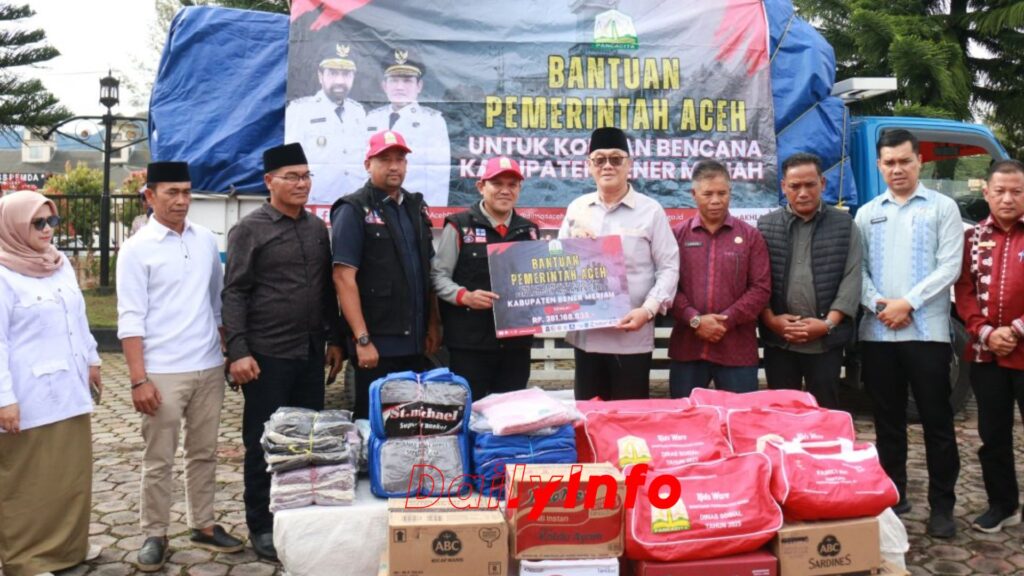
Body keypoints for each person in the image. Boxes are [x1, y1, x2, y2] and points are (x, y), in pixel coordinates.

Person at [117, 161, 244, 572]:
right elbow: (130, 318)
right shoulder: (137, 249)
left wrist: (226, 351)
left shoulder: (205, 239)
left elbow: (216, 304)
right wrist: (138, 379)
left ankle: (203, 524)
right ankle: (155, 532)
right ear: (150, 195)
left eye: (186, 192)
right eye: (171, 192)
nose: (181, 200)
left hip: (207, 365)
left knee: (204, 453)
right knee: (159, 458)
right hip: (161, 371)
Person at [222, 143, 344, 560]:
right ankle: (262, 525)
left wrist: (335, 341)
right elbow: (234, 293)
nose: (301, 184)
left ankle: (300, 519)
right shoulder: (249, 229)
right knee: (264, 443)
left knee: (307, 440)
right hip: (265, 357)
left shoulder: (316, 228)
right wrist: (238, 351)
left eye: (306, 176)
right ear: (268, 181)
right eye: (291, 176)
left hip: (309, 354)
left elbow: (326, 292)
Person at [855, 128, 963, 538]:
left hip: (927, 334)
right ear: (879, 165)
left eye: (905, 161)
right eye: (889, 162)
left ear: (919, 161)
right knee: (887, 423)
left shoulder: (942, 208)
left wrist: (908, 303)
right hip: (878, 334)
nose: (897, 169)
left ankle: (943, 506)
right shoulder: (867, 213)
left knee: (937, 422)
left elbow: (949, 266)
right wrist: (881, 305)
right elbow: (858, 270)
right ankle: (894, 497)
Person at [0, 192, 102, 576]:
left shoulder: (58, 265)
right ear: (13, 226)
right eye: (37, 223)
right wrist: (4, 399)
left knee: (69, 476)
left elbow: (79, 318)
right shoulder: (4, 274)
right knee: (28, 480)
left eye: (52, 221)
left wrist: (93, 360)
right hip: (28, 396)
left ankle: (68, 548)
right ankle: (26, 559)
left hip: (69, 390)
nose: (47, 230)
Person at [558, 127, 679, 400]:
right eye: (599, 159)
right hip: (587, 336)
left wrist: (648, 310)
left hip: (632, 337)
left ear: (629, 164)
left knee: (628, 417)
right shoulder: (577, 208)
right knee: (589, 415)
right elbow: (558, 268)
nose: (607, 166)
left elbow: (669, 267)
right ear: (589, 165)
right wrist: (571, 247)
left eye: (616, 158)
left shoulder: (651, 211)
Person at [332, 130, 441, 418]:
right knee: (373, 424)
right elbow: (343, 278)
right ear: (368, 164)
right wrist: (362, 340)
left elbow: (427, 272)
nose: (394, 166)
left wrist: (433, 324)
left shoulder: (415, 207)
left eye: (400, 159)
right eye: (385, 160)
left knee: (410, 425)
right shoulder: (353, 209)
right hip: (376, 347)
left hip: (415, 345)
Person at [757, 153, 862, 409]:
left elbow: (852, 278)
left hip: (824, 343)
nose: (803, 193)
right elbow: (758, 280)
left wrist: (827, 324)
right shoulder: (766, 226)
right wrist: (771, 320)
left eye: (810, 185)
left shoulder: (844, 225)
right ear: (784, 186)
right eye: (795, 186)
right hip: (780, 341)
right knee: (782, 413)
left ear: (822, 184)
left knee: (824, 412)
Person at [953, 159, 1024, 533]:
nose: (1008, 198)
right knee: (993, 434)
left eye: (1017, 191)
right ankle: (1002, 504)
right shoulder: (973, 237)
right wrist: (984, 332)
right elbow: (963, 290)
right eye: (1000, 191)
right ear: (987, 193)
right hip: (986, 352)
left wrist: (1015, 330)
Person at [431, 156, 540, 400]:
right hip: (469, 345)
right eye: (497, 183)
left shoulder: (530, 230)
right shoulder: (459, 226)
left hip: (516, 346)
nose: (505, 190)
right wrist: (464, 296)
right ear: (481, 186)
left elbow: (539, 283)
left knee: (511, 415)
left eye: (512, 185)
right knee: (470, 412)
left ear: (519, 189)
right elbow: (438, 275)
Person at [669, 160, 770, 397]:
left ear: (730, 193)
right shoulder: (677, 236)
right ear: (694, 194)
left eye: (722, 193)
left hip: (737, 350)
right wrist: (695, 319)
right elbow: (666, 284)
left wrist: (725, 321)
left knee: (739, 416)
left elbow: (761, 289)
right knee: (686, 415)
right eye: (708, 194)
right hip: (688, 348)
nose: (715, 200)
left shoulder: (750, 236)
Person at [366, 49, 452, 207]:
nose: (400, 87)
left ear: (419, 86)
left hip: (412, 207)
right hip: (372, 204)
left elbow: (439, 176)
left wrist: (432, 214)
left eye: (407, 81)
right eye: (394, 80)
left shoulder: (432, 121)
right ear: (384, 85)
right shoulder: (371, 119)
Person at [285, 43, 368, 205]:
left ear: (353, 77)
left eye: (346, 74)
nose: (340, 81)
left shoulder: (358, 111)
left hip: (355, 204)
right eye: (333, 73)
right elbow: (291, 162)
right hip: (316, 203)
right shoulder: (300, 110)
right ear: (320, 76)